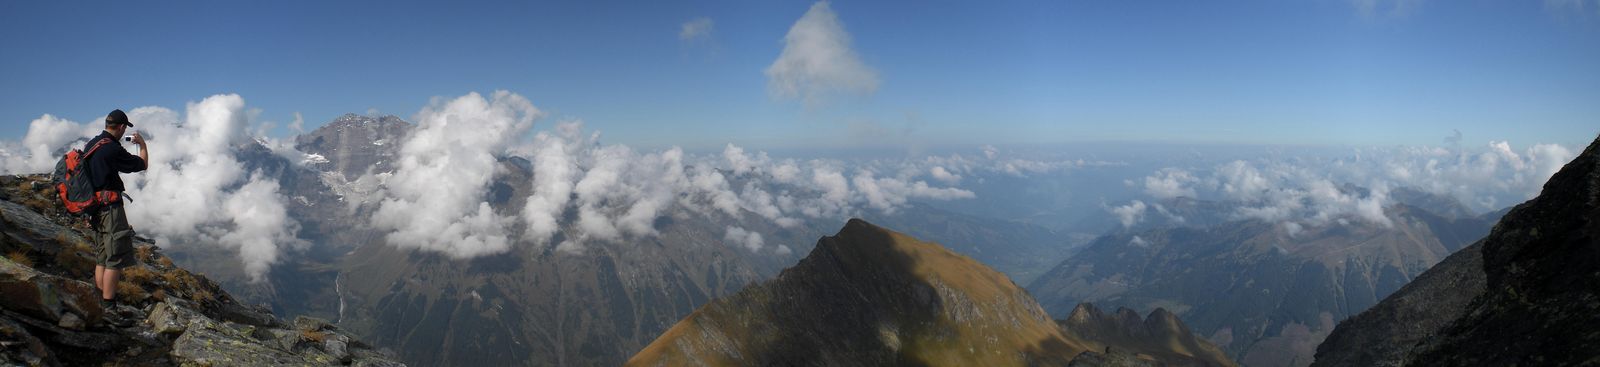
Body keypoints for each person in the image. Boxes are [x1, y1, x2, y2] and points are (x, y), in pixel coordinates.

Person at [85, 109, 148, 315]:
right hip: (110, 210)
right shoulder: (112, 149)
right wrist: (143, 145)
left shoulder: (92, 145)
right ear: (121, 127)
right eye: (124, 129)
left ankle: (100, 300)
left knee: (102, 256)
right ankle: (110, 309)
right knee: (115, 259)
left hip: (94, 209)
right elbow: (142, 165)